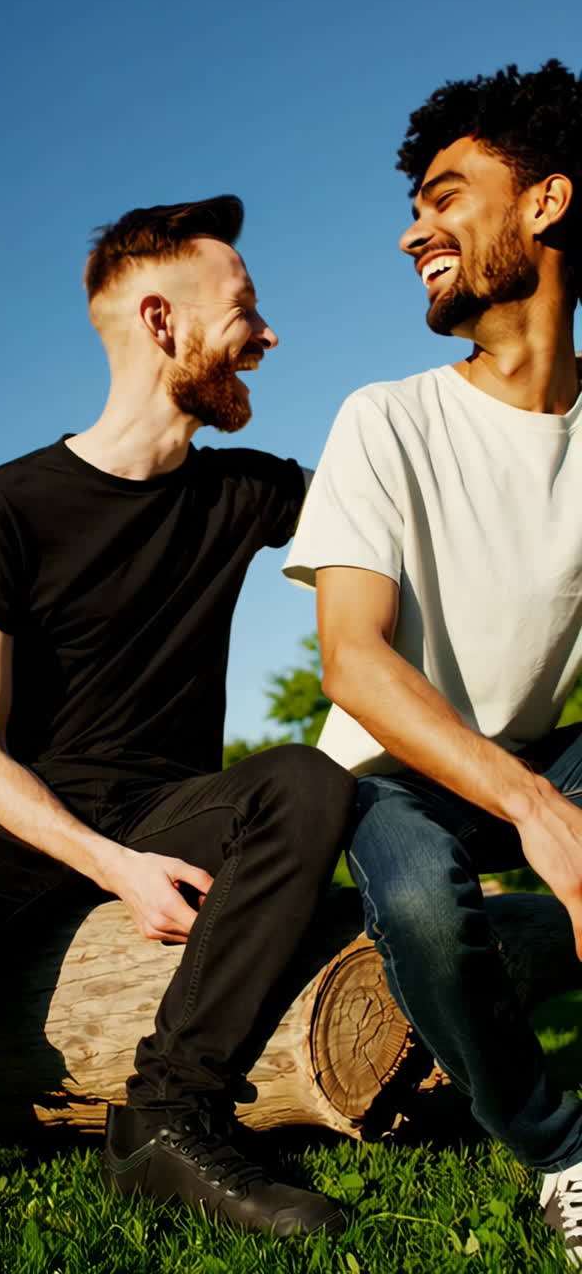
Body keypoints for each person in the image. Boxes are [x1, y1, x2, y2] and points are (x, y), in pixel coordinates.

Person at [0, 195, 355, 1235]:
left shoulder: (249, 493)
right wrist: (116, 869)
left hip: (172, 801)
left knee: (307, 781)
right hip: (23, 816)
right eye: (244, 309)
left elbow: (391, 525)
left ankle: (169, 1118)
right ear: (160, 320)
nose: (268, 336)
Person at [284, 61, 582, 1264]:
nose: (416, 229)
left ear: (549, 204)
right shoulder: (385, 417)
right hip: (390, 770)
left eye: (448, 194)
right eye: (416, 202)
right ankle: (564, 1150)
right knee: (417, 898)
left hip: (536, 749)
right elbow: (353, 665)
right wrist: (538, 812)